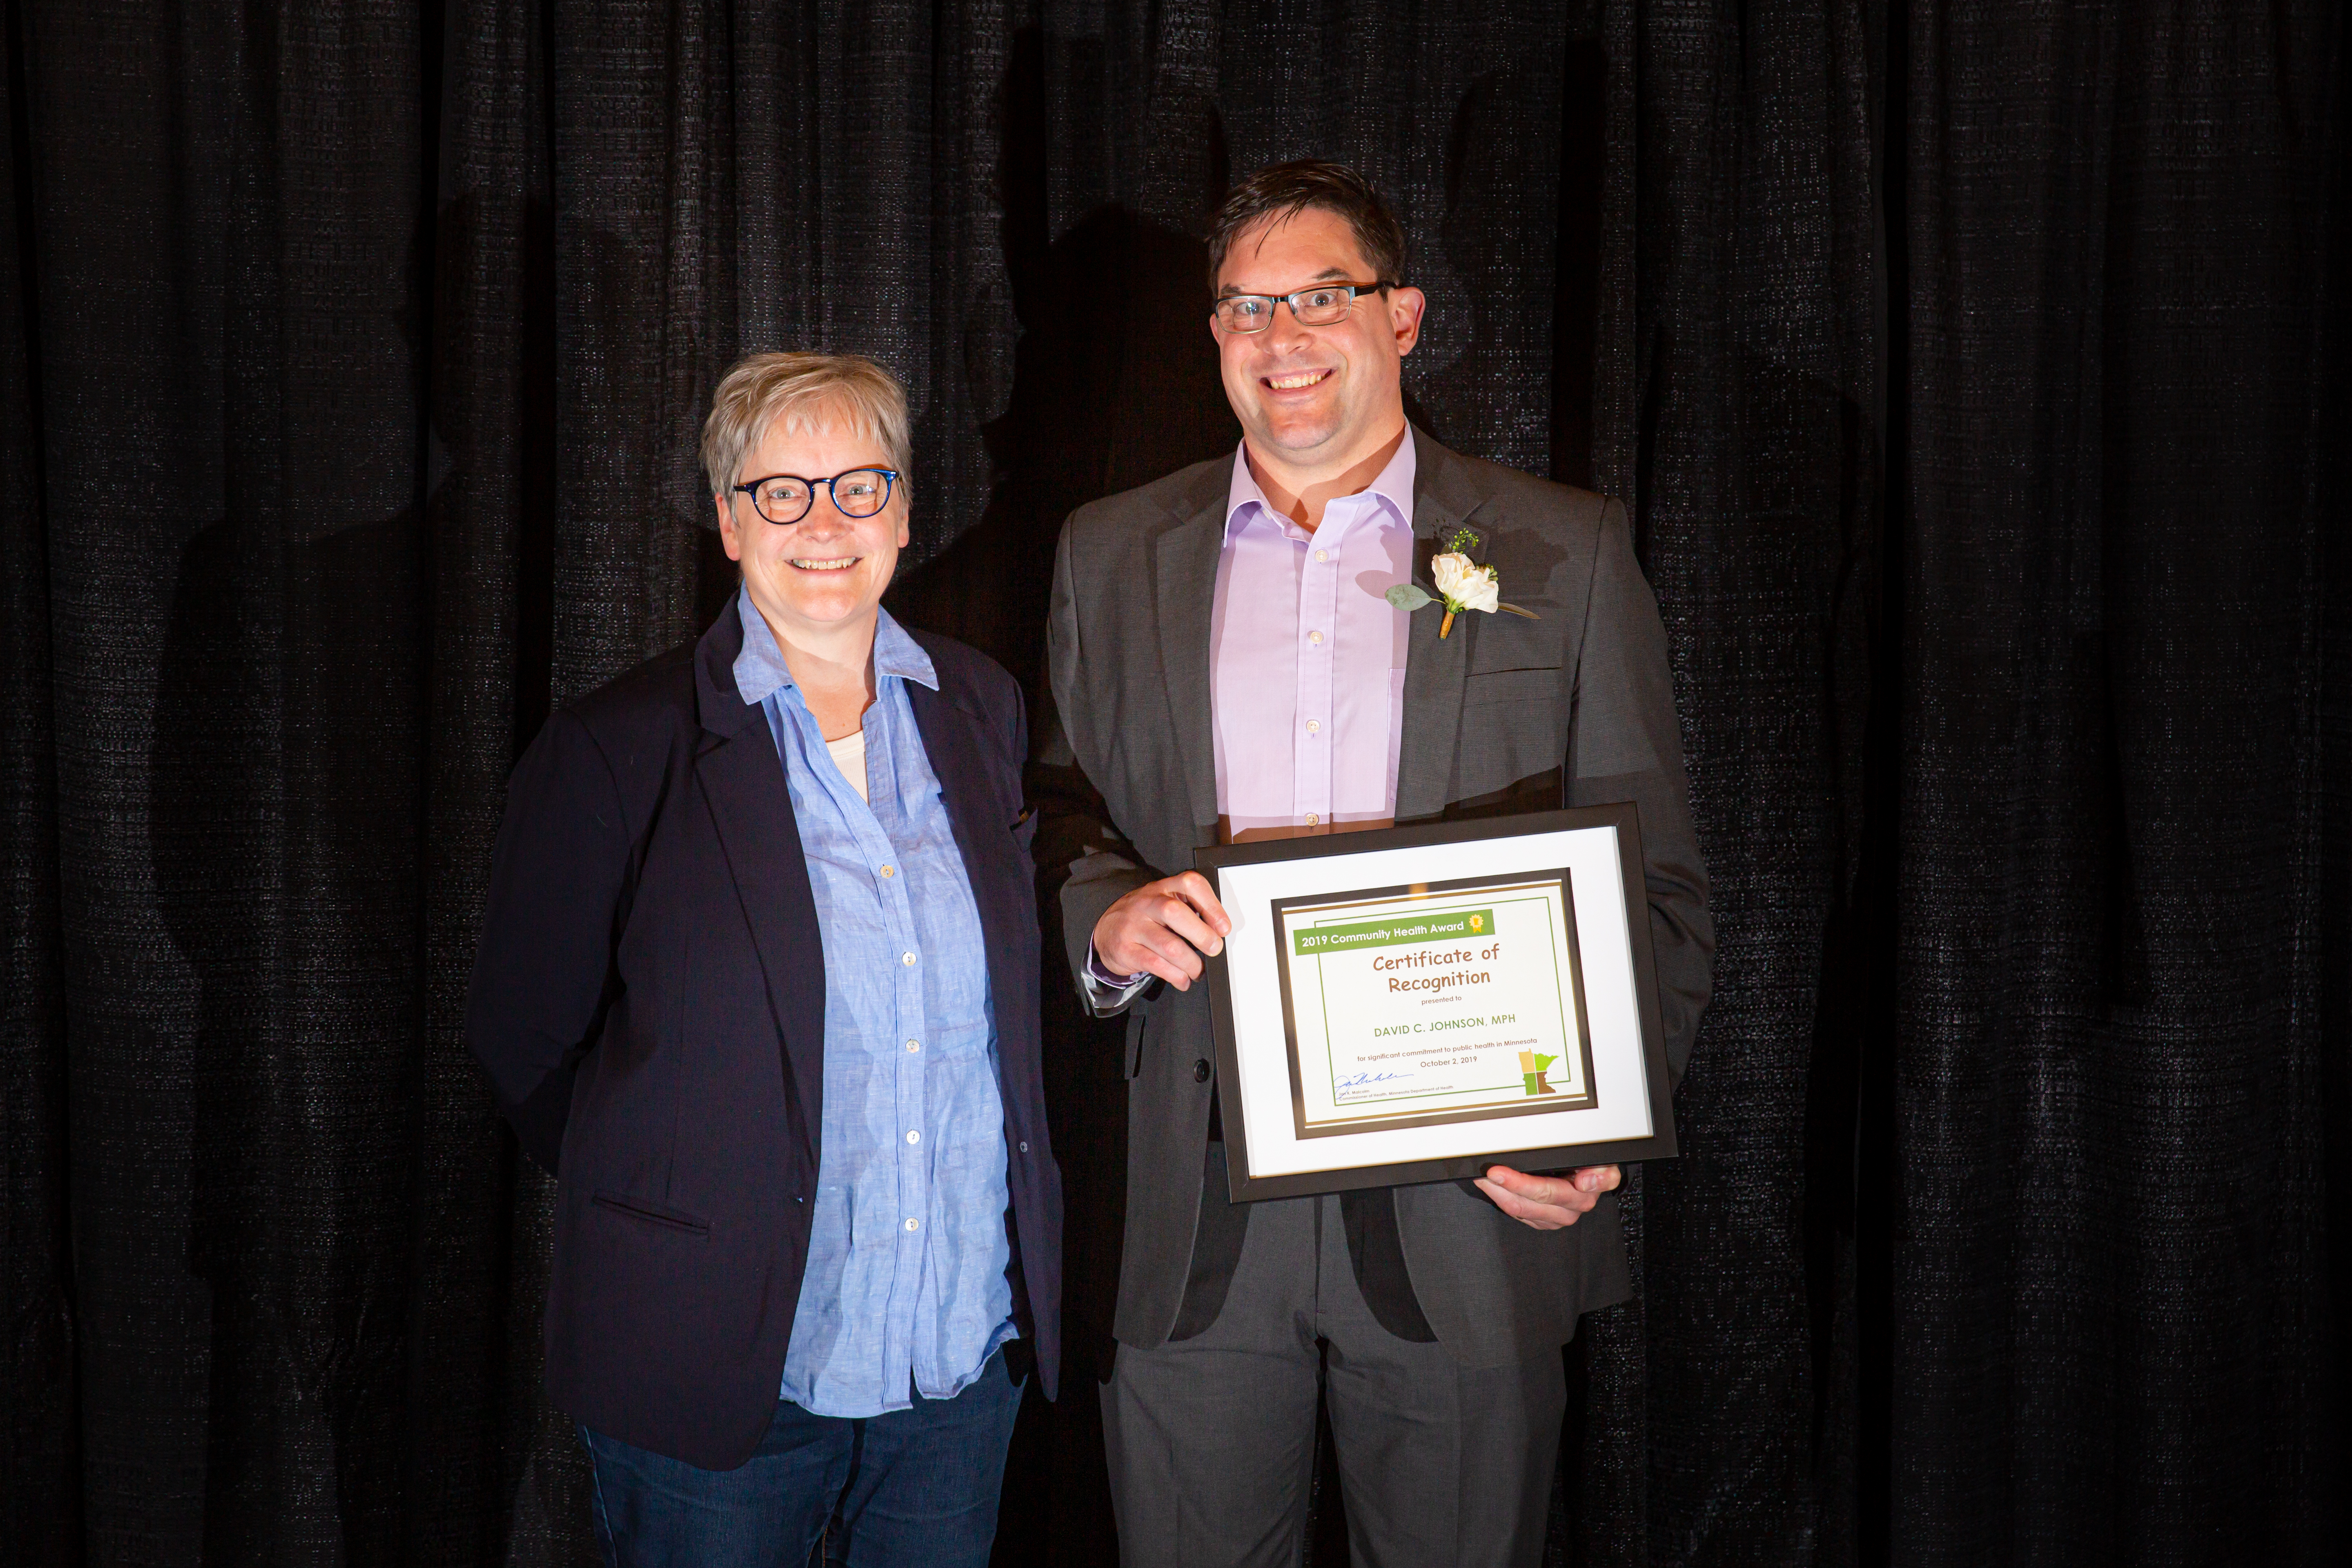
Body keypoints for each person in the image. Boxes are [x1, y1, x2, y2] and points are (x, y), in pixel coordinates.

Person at [1044, 161, 1712, 1567]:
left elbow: (1659, 889)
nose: (1280, 340)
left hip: (1471, 1202)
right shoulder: (1109, 554)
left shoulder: (1560, 550)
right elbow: (1061, 807)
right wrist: (1103, 918)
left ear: (1402, 318)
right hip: (1192, 1215)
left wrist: (1587, 1118)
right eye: (1244, 308)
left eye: (1322, 299)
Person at [466, 352, 1060, 1567]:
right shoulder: (616, 750)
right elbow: (526, 1046)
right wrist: (694, 1178)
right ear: (731, 520)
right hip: (718, 1367)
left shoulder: (982, 710)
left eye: (859, 484)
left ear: (902, 509)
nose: (825, 521)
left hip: (953, 1371)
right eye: (783, 492)